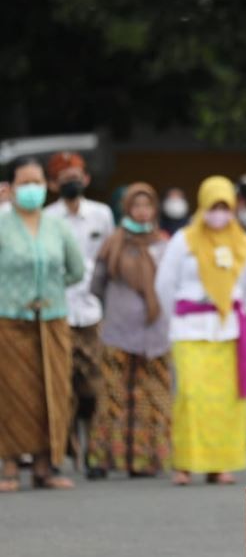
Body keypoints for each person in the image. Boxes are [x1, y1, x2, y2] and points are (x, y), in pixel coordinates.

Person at [155, 176, 246, 486]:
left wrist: (228, 309)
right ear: (202, 206)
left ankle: (220, 465)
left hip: (228, 332)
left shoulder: (243, 243)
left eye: (225, 207)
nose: (219, 214)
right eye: (213, 207)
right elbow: (165, 284)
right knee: (190, 396)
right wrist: (178, 316)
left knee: (225, 401)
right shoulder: (184, 240)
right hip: (189, 330)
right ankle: (185, 464)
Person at [0, 157, 84, 491]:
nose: (32, 189)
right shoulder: (2, 225)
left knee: (53, 391)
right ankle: (9, 466)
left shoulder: (56, 226)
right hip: (10, 321)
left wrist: (51, 291)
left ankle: (45, 465)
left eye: (37, 182)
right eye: (25, 183)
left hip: (52, 321)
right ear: (11, 187)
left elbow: (76, 270)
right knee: (12, 393)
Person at [86, 183, 171, 479]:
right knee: (113, 396)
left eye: (147, 206)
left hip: (154, 333)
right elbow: (96, 285)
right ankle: (102, 459)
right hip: (118, 332)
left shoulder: (163, 244)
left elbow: (171, 284)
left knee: (152, 397)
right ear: (127, 209)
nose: (142, 211)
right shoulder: (113, 243)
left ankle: (144, 460)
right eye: (136, 206)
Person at [45, 151, 115, 467]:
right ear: (53, 184)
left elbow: (109, 262)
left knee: (93, 387)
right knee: (63, 384)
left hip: (92, 312)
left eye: (76, 177)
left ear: (86, 179)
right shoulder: (47, 218)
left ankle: (94, 448)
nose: (72, 183)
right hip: (58, 312)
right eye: (65, 179)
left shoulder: (101, 214)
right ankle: (68, 446)